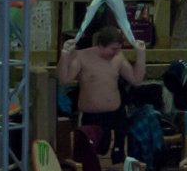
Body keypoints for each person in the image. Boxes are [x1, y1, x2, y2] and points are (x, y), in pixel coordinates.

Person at [58, 21, 142, 157]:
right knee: (89, 157)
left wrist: (141, 53)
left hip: (115, 116)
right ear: (101, 46)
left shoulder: (119, 57)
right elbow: (65, 78)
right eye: (113, 49)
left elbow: (136, 80)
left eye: (119, 49)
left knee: (115, 158)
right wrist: (66, 53)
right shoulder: (82, 56)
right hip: (91, 117)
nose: (117, 53)